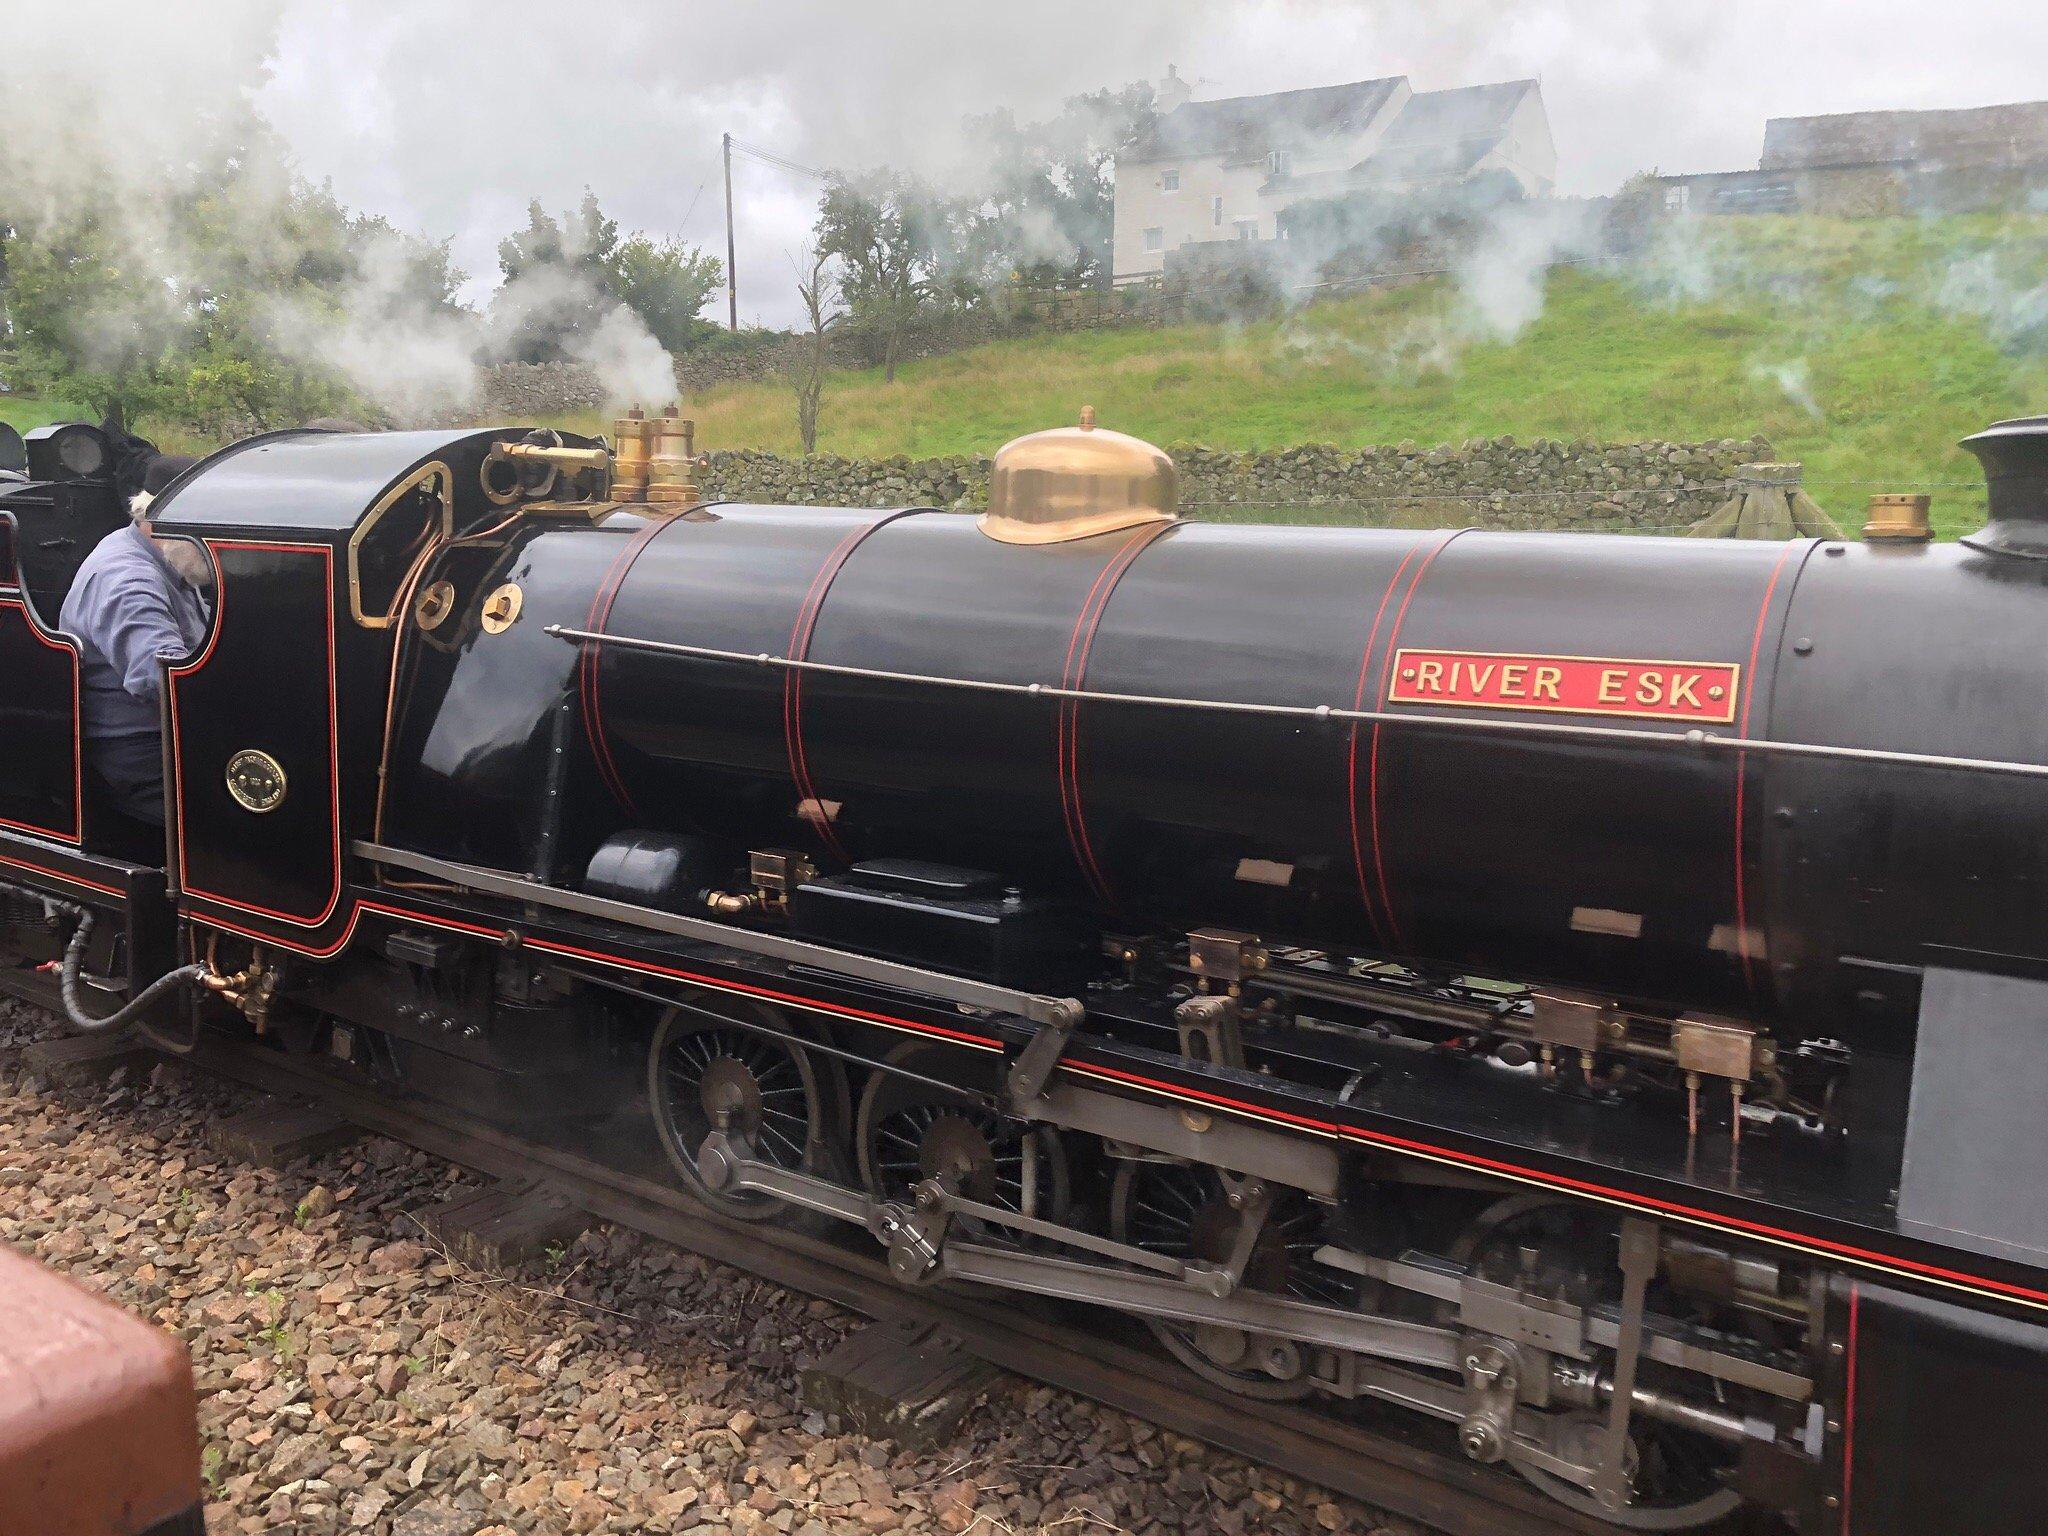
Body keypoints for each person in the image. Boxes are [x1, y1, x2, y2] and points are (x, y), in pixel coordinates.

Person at [59, 453, 209, 836]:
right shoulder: (127, 580)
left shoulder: (168, 557)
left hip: (173, 736)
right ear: (162, 521)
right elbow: (160, 678)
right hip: (141, 755)